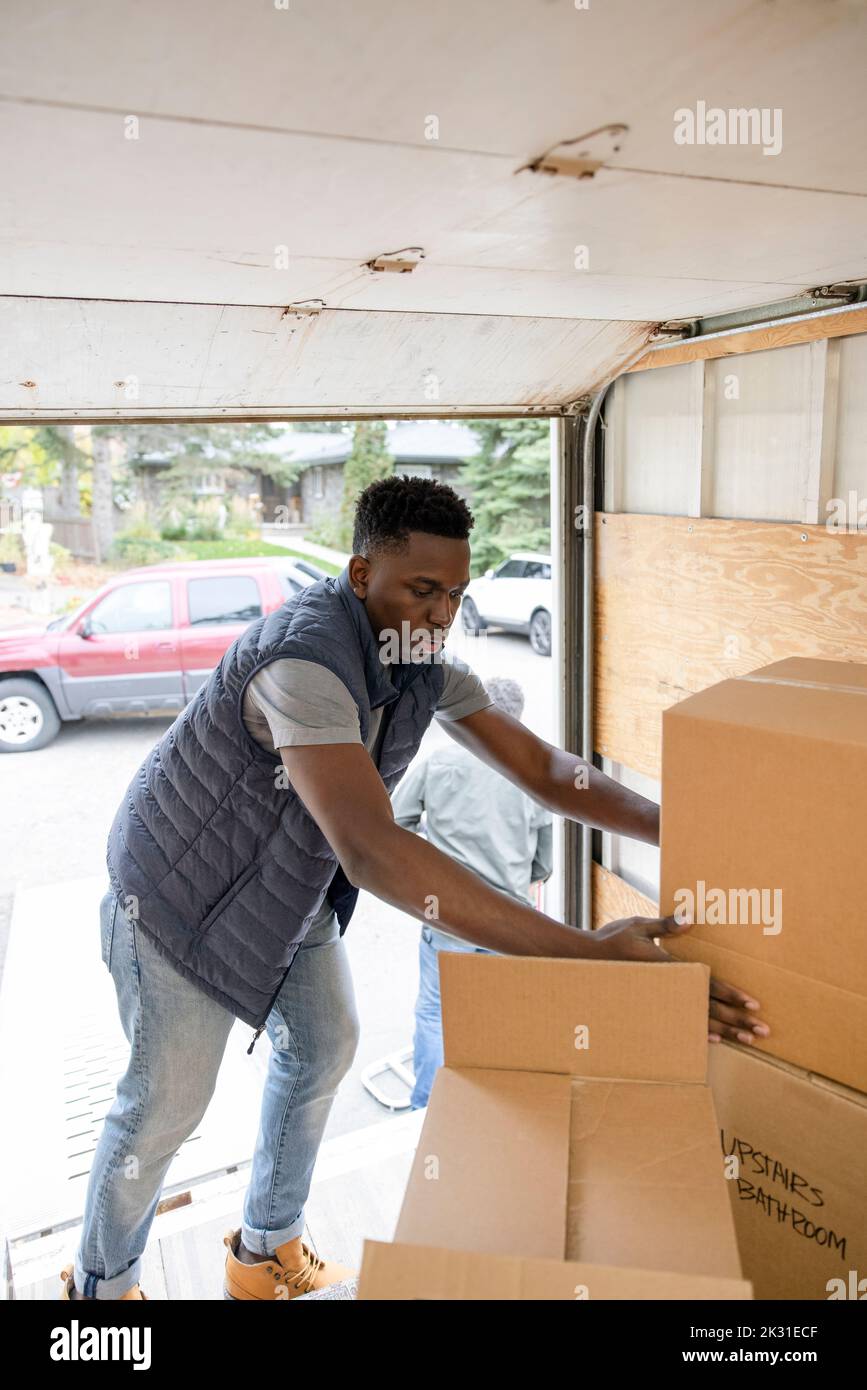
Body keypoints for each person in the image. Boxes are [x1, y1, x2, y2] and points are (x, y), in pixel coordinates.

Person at [60, 474, 768, 1302]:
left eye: (456, 595)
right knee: (164, 1111)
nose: (441, 615)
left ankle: (263, 1253)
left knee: (324, 1049)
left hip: (285, 895)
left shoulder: (425, 662)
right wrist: (590, 957)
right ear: (361, 576)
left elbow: (544, 770)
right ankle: (101, 1291)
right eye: (422, 591)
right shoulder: (302, 662)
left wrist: (687, 832)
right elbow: (372, 852)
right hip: (174, 906)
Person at [392, 675, 553, 1108]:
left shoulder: (436, 764)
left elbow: (395, 824)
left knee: (435, 1011)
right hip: (510, 921)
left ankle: (427, 1104)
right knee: (504, 1012)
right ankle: (499, 1099)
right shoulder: (531, 776)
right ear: (516, 723)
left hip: (450, 919)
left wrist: (431, 862)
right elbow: (544, 864)